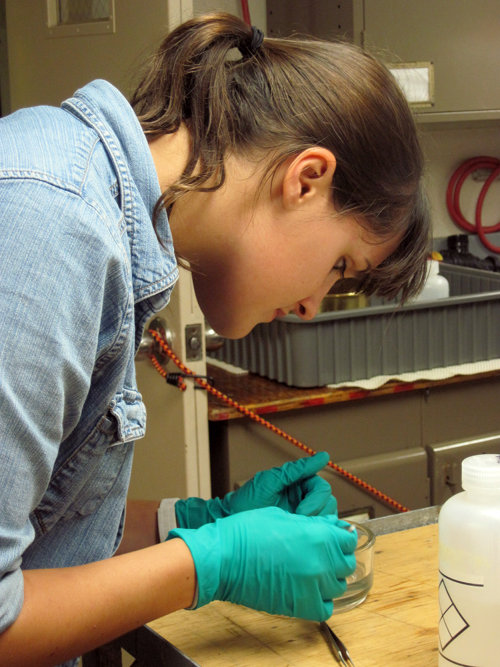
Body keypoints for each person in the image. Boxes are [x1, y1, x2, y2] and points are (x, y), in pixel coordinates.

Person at [0, 12, 429, 667]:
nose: (313, 307)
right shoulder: (53, 227)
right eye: (341, 264)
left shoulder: (103, 219)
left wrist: (196, 522)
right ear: (306, 179)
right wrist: (208, 564)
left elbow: (41, 540)